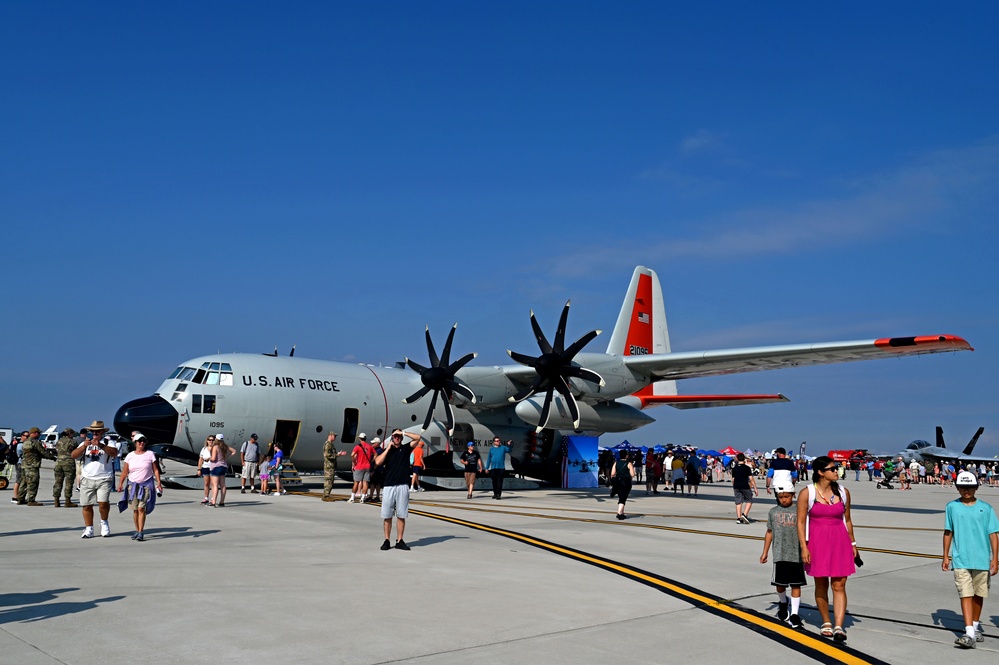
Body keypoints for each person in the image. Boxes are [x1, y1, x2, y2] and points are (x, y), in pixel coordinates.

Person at [797, 456, 858, 642]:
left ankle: (839, 626)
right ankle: (826, 621)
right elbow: (799, 523)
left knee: (839, 585)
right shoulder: (807, 493)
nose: (836, 471)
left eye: (837, 468)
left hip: (840, 542)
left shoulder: (843, 492)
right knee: (821, 585)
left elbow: (847, 520)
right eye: (833, 468)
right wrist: (804, 548)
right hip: (817, 543)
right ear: (820, 472)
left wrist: (854, 544)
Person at [943, 471, 999, 648]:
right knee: (965, 593)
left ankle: (974, 626)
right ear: (957, 488)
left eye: (970, 487)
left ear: (976, 487)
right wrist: (945, 555)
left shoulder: (986, 508)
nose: (966, 490)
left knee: (978, 594)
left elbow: (993, 535)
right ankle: (968, 633)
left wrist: (995, 558)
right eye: (962, 487)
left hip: (982, 559)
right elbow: (948, 531)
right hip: (960, 559)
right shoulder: (951, 507)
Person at [759, 480, 806, 629]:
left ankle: (794, 614)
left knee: (796, 584)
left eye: (787, 496)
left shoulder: (799, 510)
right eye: (781, 497)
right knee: (780, 585)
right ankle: (783, 603)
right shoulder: (773, 512)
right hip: (779, 554)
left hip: (796, 554)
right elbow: (769, 532)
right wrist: (765, 551)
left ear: (793, 495)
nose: (784, 499)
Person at [373, 430, 423, 550]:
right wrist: (388, 449)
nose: (397, 438)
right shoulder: (388, 451)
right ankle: (386, 540)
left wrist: (404, 432)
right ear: (392, 438)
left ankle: (399, 540)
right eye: (395, 436)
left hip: (402, 485)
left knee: (401, 514)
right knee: (387, 515)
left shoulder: (406, 448)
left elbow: (417, 437)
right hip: (389, 485)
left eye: (399, 436)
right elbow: (378, 461)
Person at [71, 420, 119, 538]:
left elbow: (114, 453)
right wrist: (83, 447)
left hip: (104, 478)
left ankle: (104, 522)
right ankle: (89, 528)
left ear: (102, 431)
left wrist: (101, 445)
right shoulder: (85, 443)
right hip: (87, 477)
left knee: (103, 503)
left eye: (97, 431)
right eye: (93, 431)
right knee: (86, 505)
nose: (95, 433)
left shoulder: (108, 442)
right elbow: (73, 455)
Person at [117, 432, 163, 542]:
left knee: (141, 508)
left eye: (143, 441)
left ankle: (141, 532)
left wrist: (159, 483)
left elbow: (155, 469)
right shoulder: (130, 456)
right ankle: (137, 530)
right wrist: (120, 484)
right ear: (135, 443)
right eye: (139, 441)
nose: (142, 443)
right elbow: (125, 471)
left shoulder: (150, 454)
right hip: (133, 485)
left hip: (146, 485)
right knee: (135, 510)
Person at [16, 426, 47, 505]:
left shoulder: (25, 442)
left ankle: (20, 498)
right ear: (35, 433)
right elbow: (43, 452)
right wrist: (53, 457)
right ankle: (31, 500)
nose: (39, 434)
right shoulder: (35, 442)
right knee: (33, 483)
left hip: (24, 465)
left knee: (23, 482)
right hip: (33, 466)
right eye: (38, 433)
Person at [52, 428, 78, 508]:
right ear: (70, 434)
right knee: (69, 482)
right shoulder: (72, 442)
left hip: (59, 463)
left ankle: (56, 501)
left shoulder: (59, 441)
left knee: (58, 482)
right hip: (69, 463)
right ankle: (67, 501)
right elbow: (76, 450)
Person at [209, 434, 236, 506]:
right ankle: (222, 502)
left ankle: (213, 501)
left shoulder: (216, 447)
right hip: (223, 466)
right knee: (223, 485)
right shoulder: (225, 446)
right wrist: (226, 457)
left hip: (216, 466)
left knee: (215, 485)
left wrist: (208, 458)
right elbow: (234, 451)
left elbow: (213, 458)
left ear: (216, 439)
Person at [348, 433, 375, 503]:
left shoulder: (357, 446)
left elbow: (352, 455)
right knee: (365, 482)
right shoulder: (369, 446)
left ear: (360, 438)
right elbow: (375, 454)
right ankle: (363, 498)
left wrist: (354, 462)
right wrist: (371, 461)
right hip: (367, 466)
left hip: (359, 466)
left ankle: (352, 497)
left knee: (356, 482)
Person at [732, 453, 757, 524]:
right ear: (744, 459)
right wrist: (755, 488)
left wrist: (734, 486)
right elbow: (751, 478)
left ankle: (738, 518)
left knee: (738, 502)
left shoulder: (734, 468)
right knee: (749, 500)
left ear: (737, 458)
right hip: (745, 486)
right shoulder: (747, 468)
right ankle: (744, 514)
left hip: (736, 486)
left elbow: (733, 479)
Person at [610, 449, 635, 520]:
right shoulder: (629, 463)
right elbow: (632, 474)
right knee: (623, 498)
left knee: (621, 497)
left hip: (618, 481)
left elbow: (612, 474)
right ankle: (619, 513)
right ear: (626, 456)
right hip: (626, 482)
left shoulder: (616, 463)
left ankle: (622, 512)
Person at [321, 431, 346, 502]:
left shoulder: (330, 444)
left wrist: (338, 454)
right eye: (334, 436)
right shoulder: (328, 444)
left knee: (330, 481)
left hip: (330, 465)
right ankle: (326, 495)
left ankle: (326, 494)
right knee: (329, 481)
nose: (335, 437)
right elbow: (327, 455)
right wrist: (337, 455)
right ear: (330, 435)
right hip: (329, 466)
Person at [197, 435, 214, 504]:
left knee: (213, 483)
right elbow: (200, 459)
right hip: (205, 467)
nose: (211, 441)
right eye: (209, 440)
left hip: (213, 467)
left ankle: (213, 498)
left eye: (212, 440)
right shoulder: (204, 449)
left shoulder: (215, 448)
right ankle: (206, 497)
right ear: (207, 441)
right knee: (206, 483)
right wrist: (199, 469)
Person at [368, 437, 384, 502]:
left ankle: (377, 496)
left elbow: (377, 461)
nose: (372, 444)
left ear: (377, 444)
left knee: (377, 483)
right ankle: (371, 496)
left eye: (373, 443)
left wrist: (373, 469)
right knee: (372, 483)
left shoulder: (379, 451)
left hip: (377, 469)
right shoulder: (375, 450)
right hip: (374, 469)